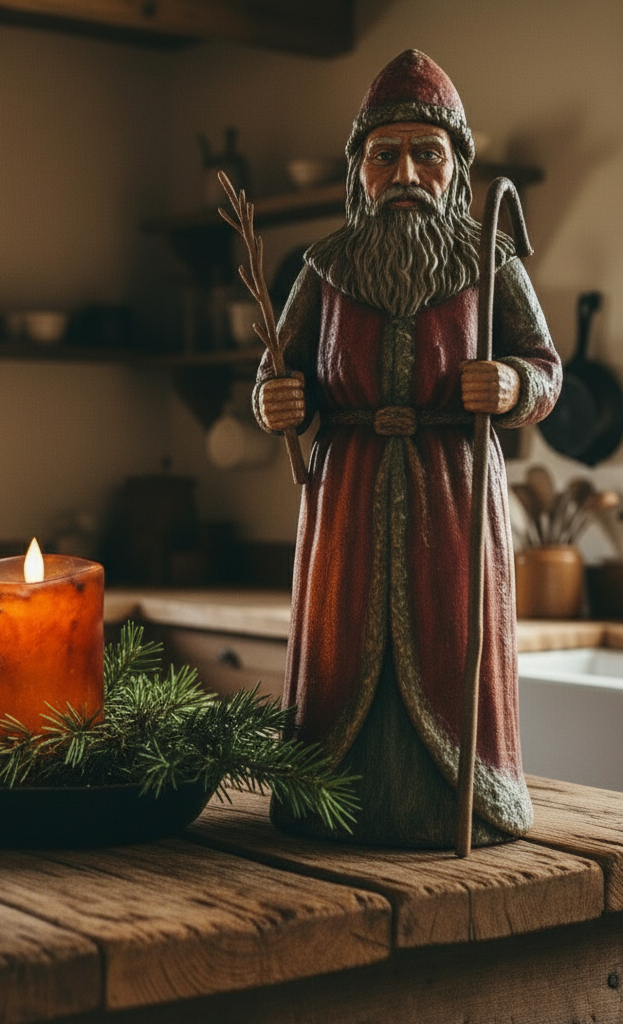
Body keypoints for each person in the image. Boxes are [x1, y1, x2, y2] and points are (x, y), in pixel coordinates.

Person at [253, 50, 562, 847]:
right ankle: (324, 795)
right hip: (346, 493)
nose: (406, 172)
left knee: (449, 638)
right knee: (340, 640)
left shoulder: (490, 263)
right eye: (384, 154)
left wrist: (512, 386)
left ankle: (471, 791)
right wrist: (277, 399)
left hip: (454, 492)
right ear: (358, 170)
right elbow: (278, 375)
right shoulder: (323, 268)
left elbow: (545, 369)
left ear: (455, 166)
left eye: (427, 152)